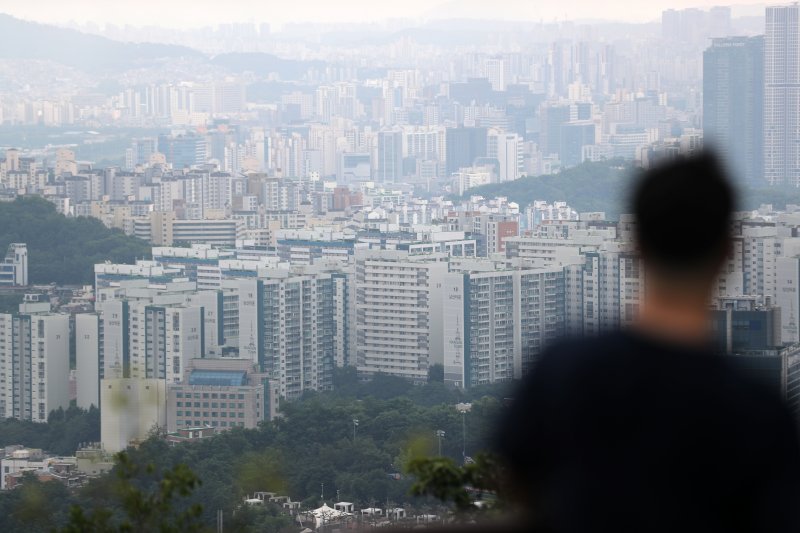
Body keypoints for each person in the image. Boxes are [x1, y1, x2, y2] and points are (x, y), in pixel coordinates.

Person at [497, 152, 800, 532]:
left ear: (635, 244)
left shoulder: (563, 368)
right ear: (729, 252)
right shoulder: (760, 411)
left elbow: (520, 478)